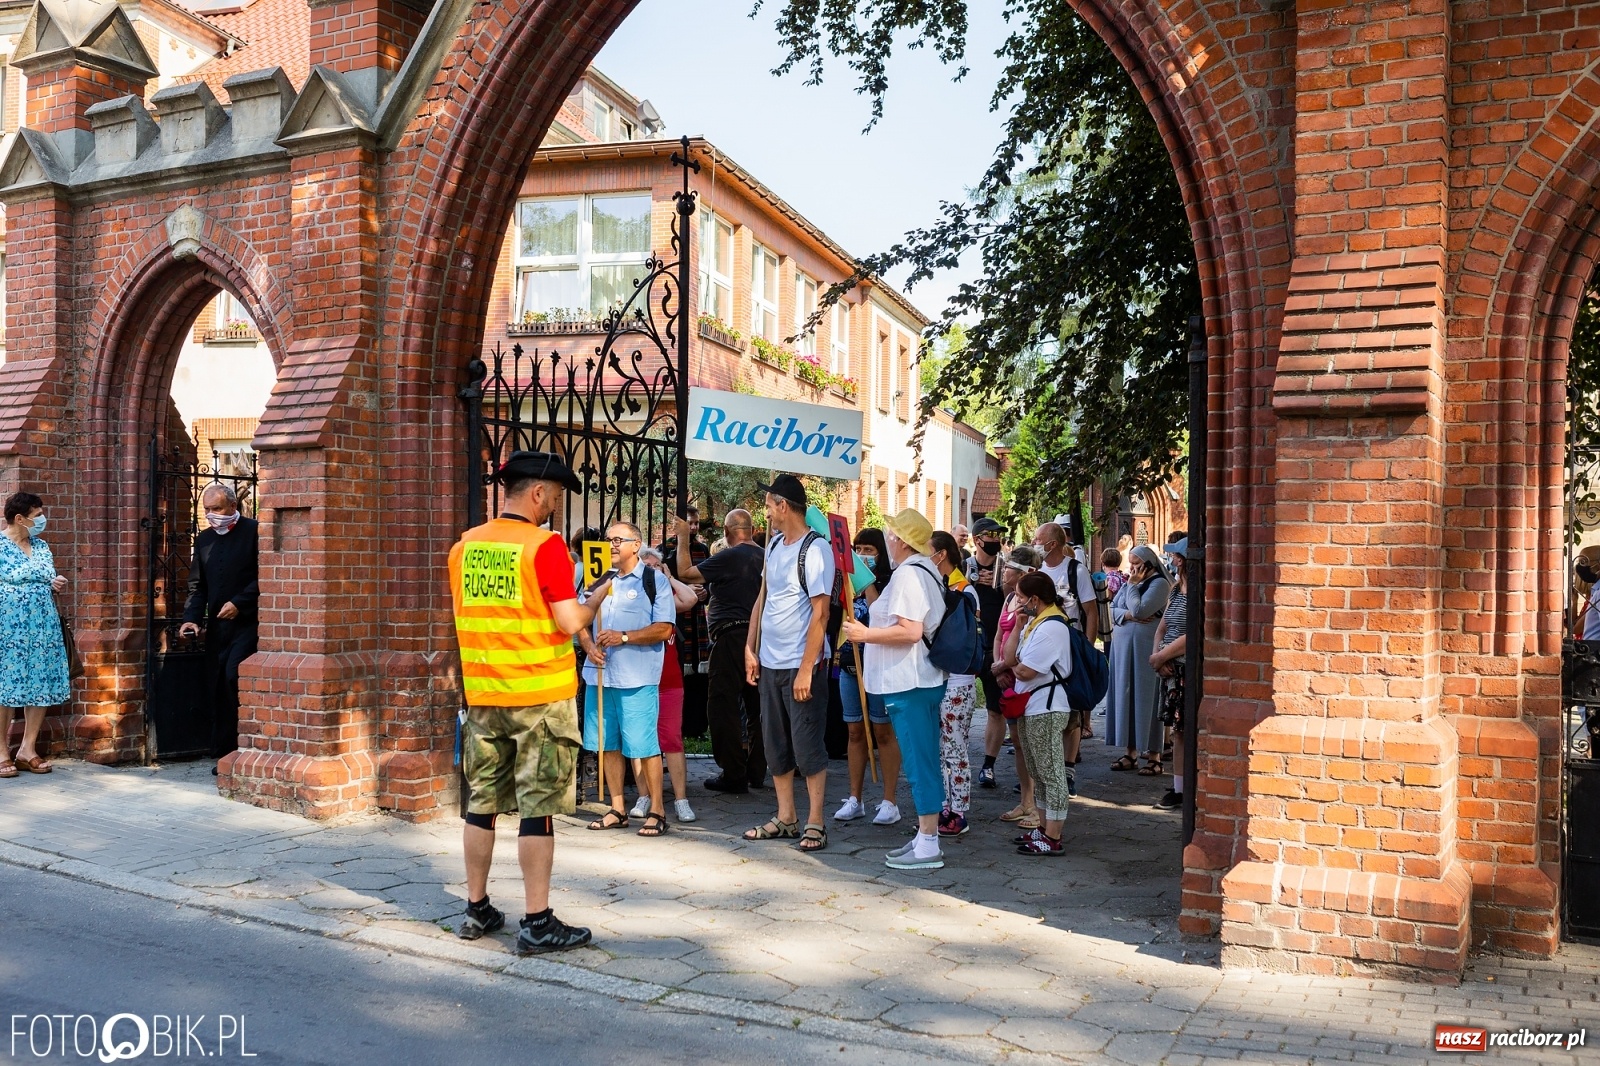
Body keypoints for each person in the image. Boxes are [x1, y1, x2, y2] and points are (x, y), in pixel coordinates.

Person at [448, 450, 602, 953]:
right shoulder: (544, 547)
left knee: (482, 805)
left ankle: (476, 910)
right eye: (554, 498)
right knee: (539, 811)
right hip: (539, 698)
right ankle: (537, 921)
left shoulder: (465, 547)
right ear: (537, 493)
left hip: (484, 695)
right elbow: (568, 622)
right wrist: (596, 597)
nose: (554, 507)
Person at [842, 508, 949, 870]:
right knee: (923, 760)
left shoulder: (908, 575)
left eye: (890, 533)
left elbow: (910, 631)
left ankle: (929, 842)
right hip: (916, 679)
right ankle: (924, 835)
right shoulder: (923, 571)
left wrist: (864, 634)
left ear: (900, 541)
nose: (887, 539)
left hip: (910, 680)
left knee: (919, 764)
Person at [743, 474, 835, 852]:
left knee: (807, 742)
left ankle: (815, 820)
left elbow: (822, 613)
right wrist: (751, 648)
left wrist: (806, 668)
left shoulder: (816, 549)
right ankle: (785, 816)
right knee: (774, 742)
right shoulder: (775, 545)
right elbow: (762, 599)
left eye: (768, 505)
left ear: (783, 505)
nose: (766, 513)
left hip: (802, 665)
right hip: (770, 662)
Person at [579, 521, 678, 837]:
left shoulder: (654, 581)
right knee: (607, 744)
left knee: (644, 745)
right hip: (600, 676)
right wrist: (589, 645)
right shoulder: (597, 579)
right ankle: (618, 808)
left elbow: (664, 628)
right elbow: (577, 618)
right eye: (608, 540)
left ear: (636, 545)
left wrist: (623, 637)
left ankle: (657, 810)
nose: (611, 545)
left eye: (618, 540)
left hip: (636, 677)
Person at [673, 509, 767, 793]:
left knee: (722, 705)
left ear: (728, 531)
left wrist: (682, 539)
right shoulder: (765, 556)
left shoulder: (730, 555)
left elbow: (685, 572)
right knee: (756, 707)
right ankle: (756, 770)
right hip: (761, 638)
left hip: (731, 637)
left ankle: (733, 773)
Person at [179, 483, 258, 765]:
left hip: (249, 624)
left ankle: (244, 748)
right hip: (217, 628)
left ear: (233, 507)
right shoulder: (204, 540)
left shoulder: (254, 532)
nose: (212, 515)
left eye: (217, 509)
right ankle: (224, 753)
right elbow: (197, 586)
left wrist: (241, 602)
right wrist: (191, 619)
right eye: (207, 510)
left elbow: (266, 576)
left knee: (233, 677)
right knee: (215, 684)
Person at [1005, 572, 1079, 856]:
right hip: (1033, 705)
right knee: (1038, 769)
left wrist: (1013, 663)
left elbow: (1023, 669)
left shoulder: (1052, 627)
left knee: (1052, 773)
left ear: (1035, 599)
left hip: (1047, 707)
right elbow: (1014, 659)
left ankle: (1053, 836)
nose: (1017, 602)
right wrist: (1018, 626)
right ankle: (1045, 827)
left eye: (1021, 597)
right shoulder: (1035, 623)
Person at [834, 527, 903, 825]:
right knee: (854, 731)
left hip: (878, 667)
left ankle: (890, 801)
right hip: (850, 666)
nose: (863, 555)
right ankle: (855, 798)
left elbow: (880, 616)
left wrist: (868, 583)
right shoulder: (845, 582)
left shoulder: (890, 583)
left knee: (883, 732)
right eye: (858, 549)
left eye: (869, 550)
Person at [0, 492, 69, 777]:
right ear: (19, 518)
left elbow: (45, 576)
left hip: (43, 626)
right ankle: (1, 751)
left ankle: (27, 750)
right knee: (5, 686)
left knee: (40, 683)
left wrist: (55, 582)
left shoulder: (41, 546)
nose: (42, 519)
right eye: (37, 515)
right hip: (8, 628)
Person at [638, 546, 700, 823]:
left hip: (669, 679)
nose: (650, 570)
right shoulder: (636, 596)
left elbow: (689, 598)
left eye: (654, 565)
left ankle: (680, 799)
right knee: (640, 740)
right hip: (639, 678)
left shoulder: (664, 597)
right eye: (645, 565)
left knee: (672, 739)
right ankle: (645, 796)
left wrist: (668, 576)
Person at [929, 530, 980, 837]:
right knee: (939, 748)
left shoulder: (964, 589)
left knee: (955, 748)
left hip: (958, 679)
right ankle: (944, 806)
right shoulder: (941, 585)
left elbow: (960, 638)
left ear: (943, 554)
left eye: (929, 552)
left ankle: (959, 812)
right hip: (939, 677)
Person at [1105, 544, 1171, 775]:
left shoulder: (1159, 584)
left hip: (1145, 650)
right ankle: (1130, 752)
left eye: (1136, 564)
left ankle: (1154, 756)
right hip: (1123, 651)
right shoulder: (1129, 582)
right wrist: (1128, 614)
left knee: (1147, 698)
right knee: (1126, 696)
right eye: (1130, 563)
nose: (1132, 568)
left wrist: (1132, 600)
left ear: (1148, 564)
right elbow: (1112, 610)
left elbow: (1141, 610)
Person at [993, 546, 1042, 827]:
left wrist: (1005, 665)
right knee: (1019, 744)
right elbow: (1000, 634)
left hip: (1023, 675)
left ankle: (1038, 806)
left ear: (1026, 573)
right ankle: (1025, 800)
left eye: (1010, 566)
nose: (1005, 571)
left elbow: (1028, 644)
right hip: (1006, 674)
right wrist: (997, 664)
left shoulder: (1032, 603)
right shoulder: (1010, 597)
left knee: (1031, 742)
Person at [659, 507, 711, 738]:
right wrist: (684, 590)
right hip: (676, 618)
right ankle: (676, 725)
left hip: (698, 619)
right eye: (689, 523)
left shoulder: (703, 550)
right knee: (677, 672)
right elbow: (661, 584)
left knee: (698, 679)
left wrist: (704, 592)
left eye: (696, 523)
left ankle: (695, 726)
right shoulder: (664, 550)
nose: (693, 528)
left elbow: (711, 581)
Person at [966, 518, 1007, 789]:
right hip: (967, 647)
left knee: (996, 709)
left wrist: (1005, 584)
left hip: (996, 646)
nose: (996, 540)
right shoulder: (963, 565)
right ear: (978, 539)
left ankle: (988, 766)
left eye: (999, 536)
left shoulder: (1007, 567)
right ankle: (955, 760)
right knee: (959, 707)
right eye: (991, 535)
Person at [1150, 538, 1190, 811]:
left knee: (1184, 730)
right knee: (1176, 731)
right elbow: (1162, 627)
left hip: (1183, 667)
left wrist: (1163, 656)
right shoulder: (1176, 591)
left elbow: (1193, 632)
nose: (1173, 560)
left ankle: (1186, 788)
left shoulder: (1199, 592)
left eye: (1177, 556)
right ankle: (1178, 787)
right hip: (1168, 670)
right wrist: (1157, 656)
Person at [1032, 522, 1098, 637]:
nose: (1033, 543)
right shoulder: (1037, 569)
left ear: (1052, 544)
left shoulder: (1077, 571)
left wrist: (1088, 649)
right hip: (1042, 639)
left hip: (1070, 641)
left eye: (1038, 540)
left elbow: (1091, 612)